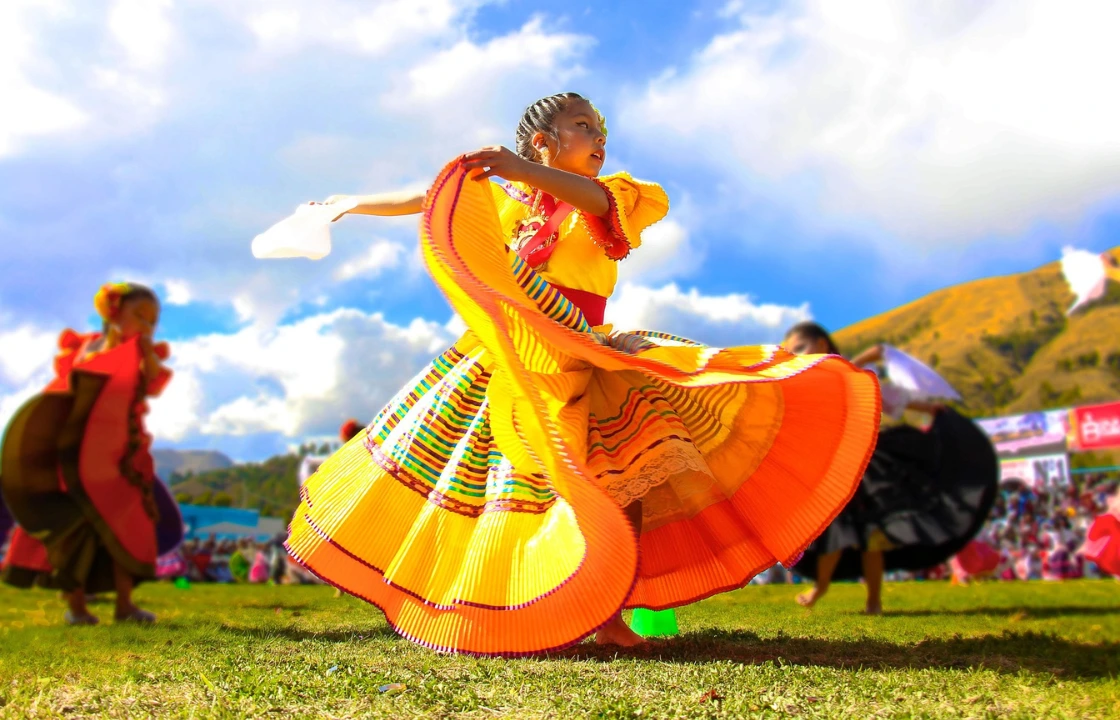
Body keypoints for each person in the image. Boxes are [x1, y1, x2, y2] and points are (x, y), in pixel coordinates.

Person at [283, 92, 881, 655]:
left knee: (630, 472)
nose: (599, 138)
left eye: (601, 130)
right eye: (583, 126)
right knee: (493, 482)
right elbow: (429, 196)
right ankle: (509, 603)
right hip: (515, 355)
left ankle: (610, 610)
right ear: (543, 139)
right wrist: (344, 204)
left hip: (585, 350)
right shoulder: (505, 196)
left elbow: (596, 205)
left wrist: (521, 169)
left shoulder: (612, 193)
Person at [784, 322, 999, 614]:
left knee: (872, 538)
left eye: (800, 347)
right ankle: (820, 587)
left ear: (821, 344)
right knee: (834, 534)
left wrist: (928, 409)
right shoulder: (809, 382)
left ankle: (873, 600)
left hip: (869, 464)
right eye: (792, 352)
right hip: (834, 467)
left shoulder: (846, 374)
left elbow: (884, 395)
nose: (797, 355)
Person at [0, 283, 172, 624]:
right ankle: (76, 608)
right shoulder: (86, 347)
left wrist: (145, 355)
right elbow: (66, 391)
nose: (147, 326)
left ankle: (125, 605)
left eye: (153, 322)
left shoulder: (140, 354)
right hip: (75, 454)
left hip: (119, 455)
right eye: (139, 316)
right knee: (74, 528)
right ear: (113, 313)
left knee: (128, 523)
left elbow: (152, 382)